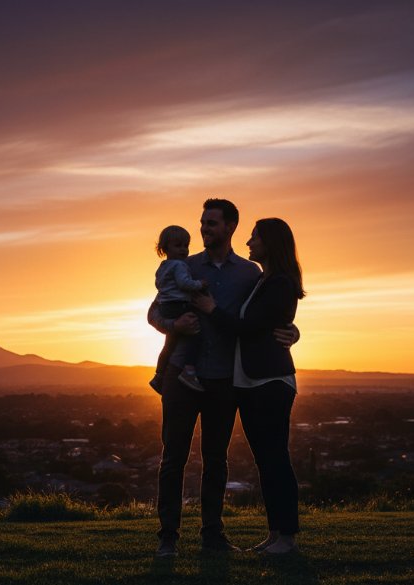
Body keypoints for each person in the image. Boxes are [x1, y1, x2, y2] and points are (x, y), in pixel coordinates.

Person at [147, 199, 299, 557]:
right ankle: (168, 536)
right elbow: (154, 311)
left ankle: (212, 535)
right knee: (173, 457)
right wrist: (173, 324)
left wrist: (291, 329)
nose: (204, 229)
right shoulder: (183, 265)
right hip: (180, 378)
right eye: (202, 223)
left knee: (216, 460)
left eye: (212, 223)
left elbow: (265, 312)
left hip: (225, 381)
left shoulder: (250, 274)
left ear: (230, 226)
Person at [193, 217, 305, 555]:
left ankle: (286, 537)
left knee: (275, 460)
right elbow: (269, 323)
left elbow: (250, 327)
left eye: (254, 237)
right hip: (252, 383)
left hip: (270, 382)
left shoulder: (280, 283)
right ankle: (275, 535)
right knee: (266, 461)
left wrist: (211, 309)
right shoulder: (264, 280)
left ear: (270, 242)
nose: (248, 243)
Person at [150, 225, 208, 394]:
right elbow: (184, 283)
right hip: (179, 306)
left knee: (169, 343)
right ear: (165, 247)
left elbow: (159, 286)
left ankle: (158, 375)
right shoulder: (180, 266)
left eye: (186, 245)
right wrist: (200, 284)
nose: (184, 250)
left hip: (166, 306)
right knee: (195, 333)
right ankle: (189, 370)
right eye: (178, 245)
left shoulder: (163, 266)